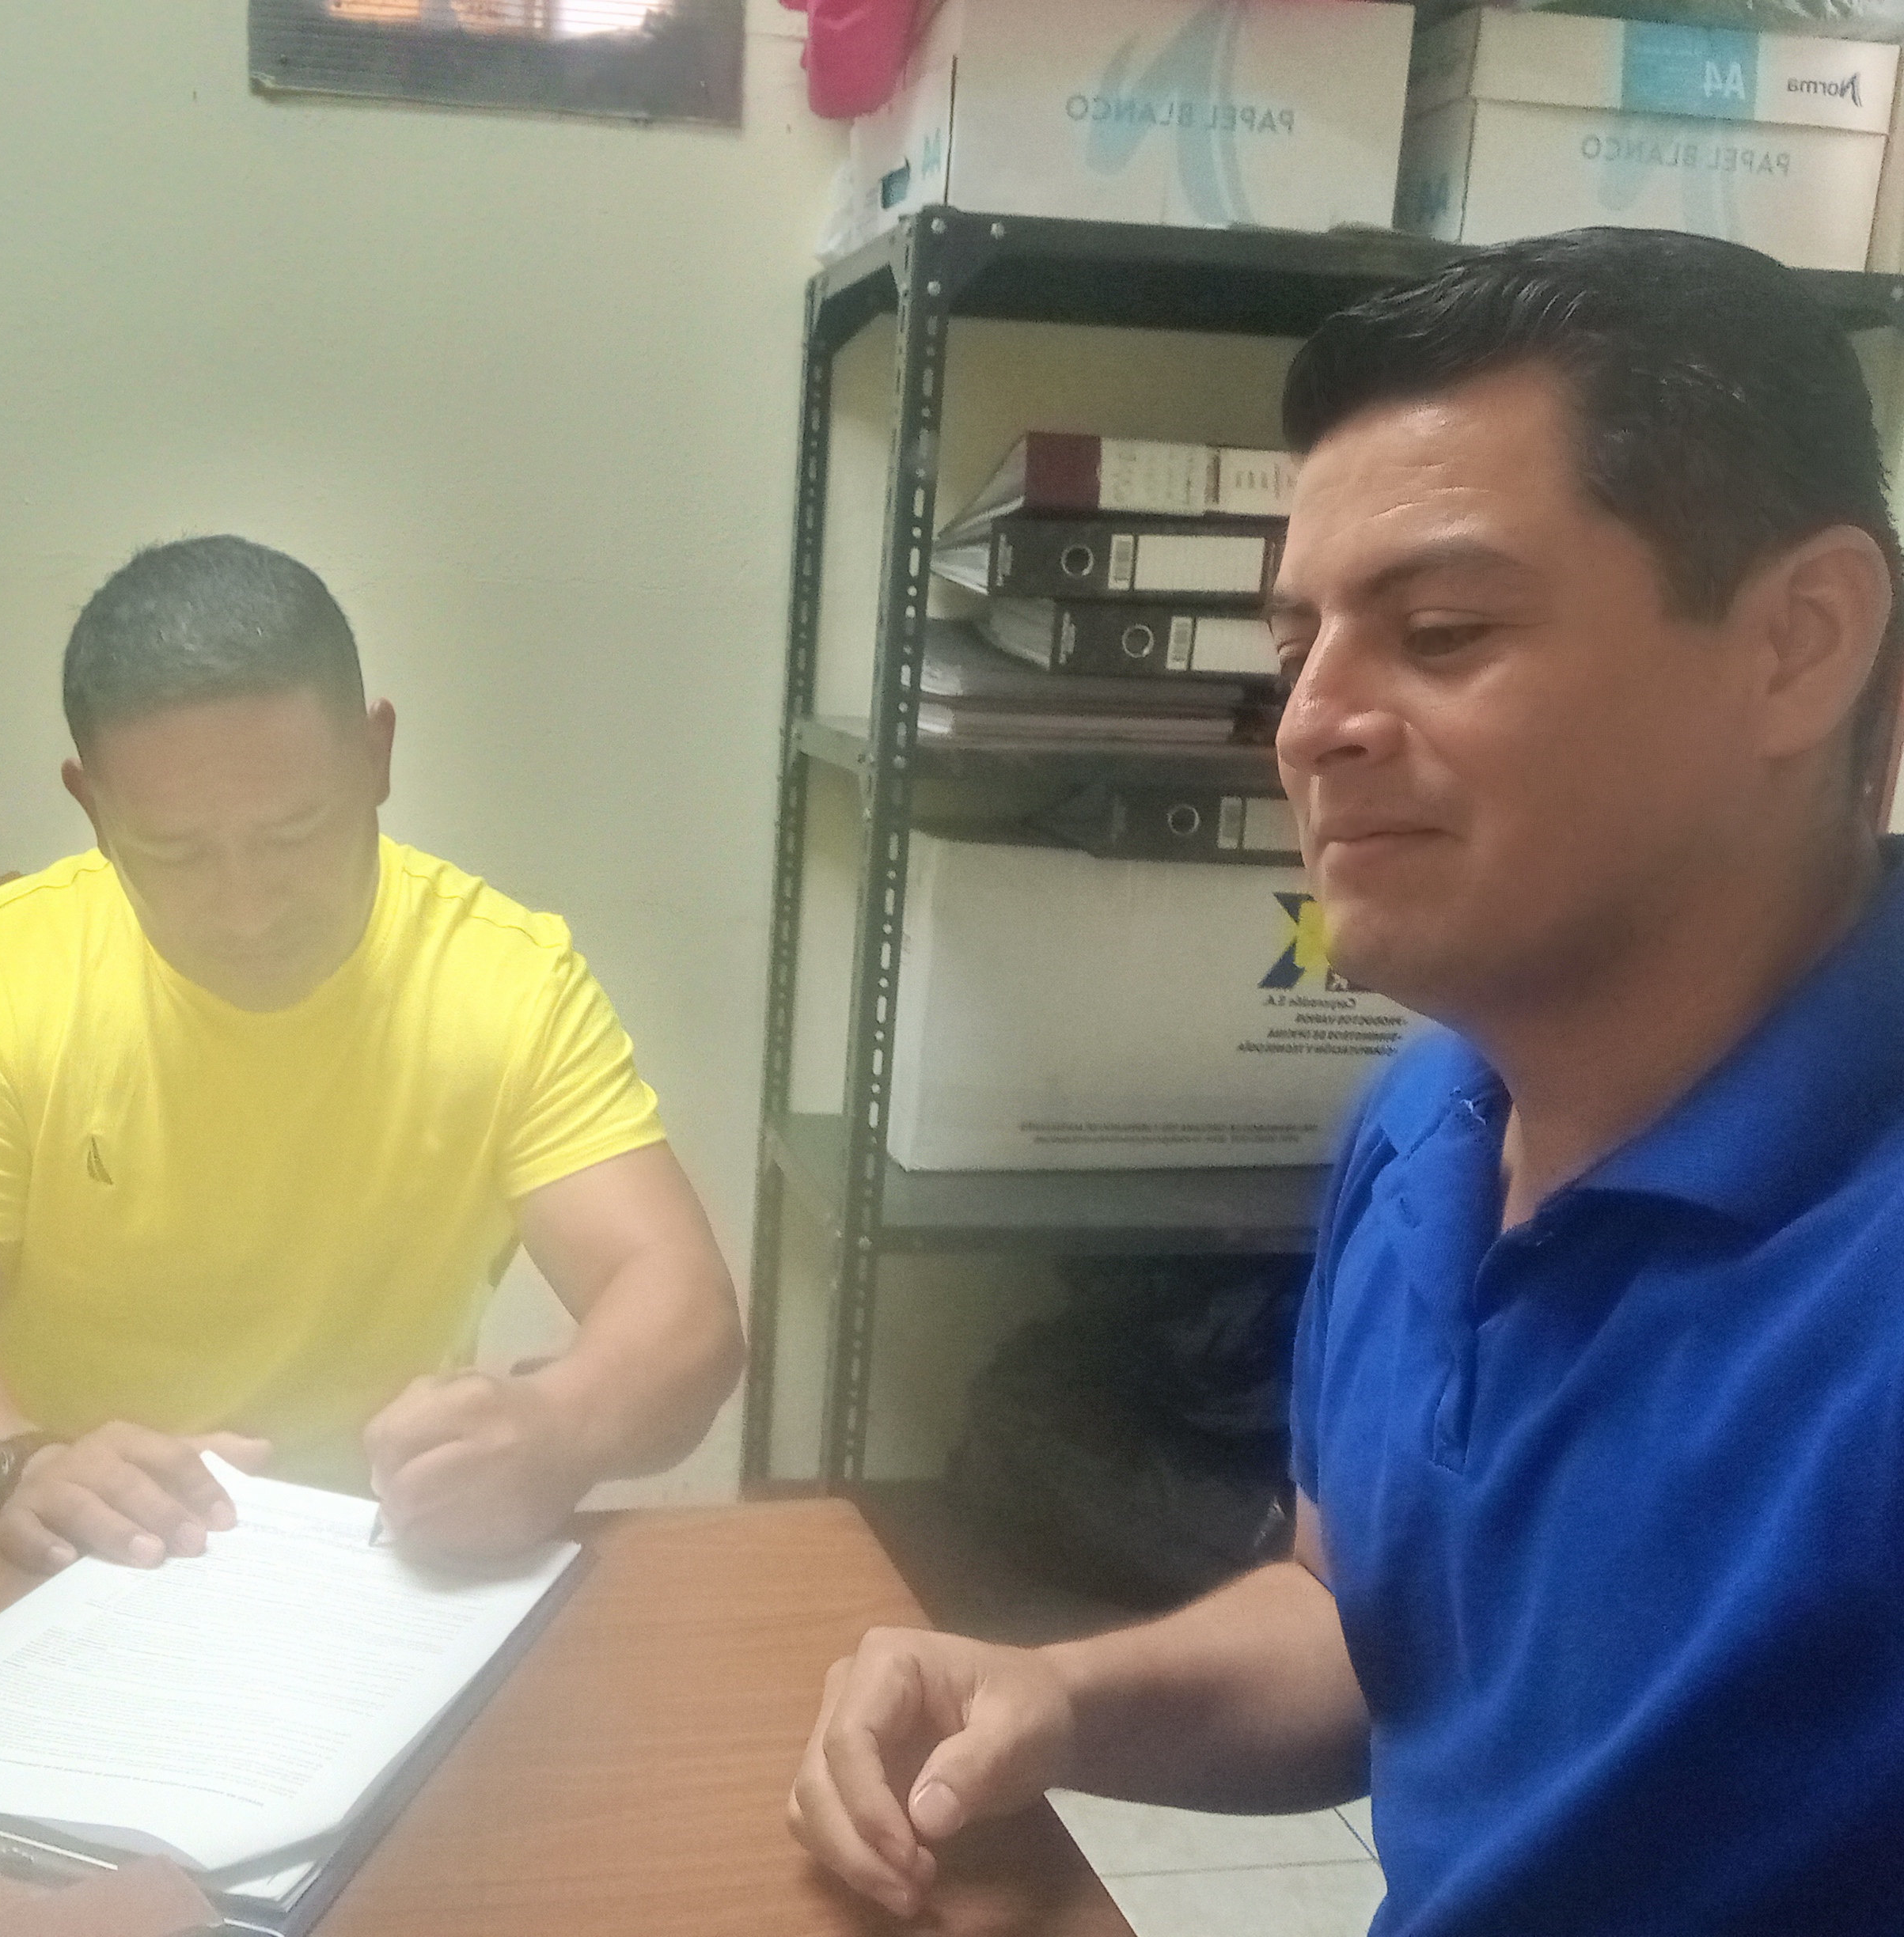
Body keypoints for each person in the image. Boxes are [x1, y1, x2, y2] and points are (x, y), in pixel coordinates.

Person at [788, 228, 1904, 1934]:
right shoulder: (1432, 1115)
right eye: (1298, 641)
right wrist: (1060, 1696)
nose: (1309, 723)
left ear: (1800, 643)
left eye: (1441, 630)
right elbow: (1363, 1626)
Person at [0, 535, 742, 1574]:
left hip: (373, 1552)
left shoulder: (504, 983)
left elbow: (680, 1297)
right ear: (93, 808)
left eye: (295, 833)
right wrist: (16, 1469)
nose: (247, 910)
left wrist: (561, 1426)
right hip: (73, 1546)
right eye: (176, 853)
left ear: (376, 758)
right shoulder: (9, 970)